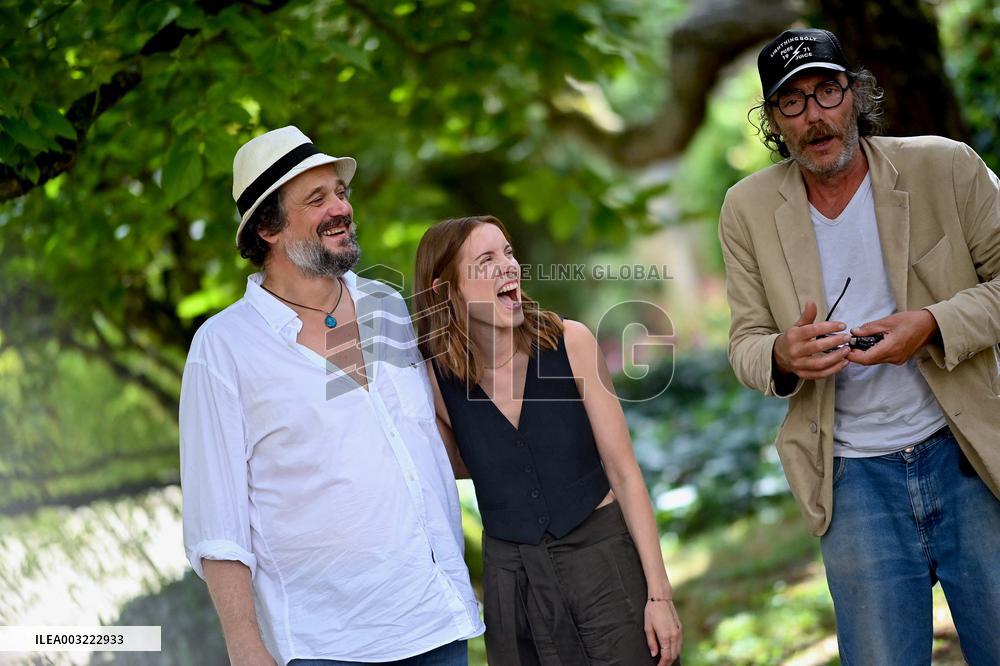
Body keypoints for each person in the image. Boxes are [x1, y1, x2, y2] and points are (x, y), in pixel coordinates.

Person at [719, 27, 1000, 665]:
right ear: (772, 119)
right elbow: (745, 343)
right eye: (792, 102)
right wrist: (782, 357)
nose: (815, 115)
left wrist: (930, 323)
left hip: (969, 455)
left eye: (827, 91)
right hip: (851, 479)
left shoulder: (944, 166)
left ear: (855, 93)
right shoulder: (747, 209)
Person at [179, 126, 483, 666]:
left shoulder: (385, 306)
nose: (340, 207)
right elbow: (217, 520)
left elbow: (430, 439)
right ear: (268, 229)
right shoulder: (224, 347)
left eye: (340, 192)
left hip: (435, 623)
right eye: (316, 199)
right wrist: (245, 648)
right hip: (324, 644)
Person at [412, 215, 683, 665]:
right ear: (445, 290)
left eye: (508, 252)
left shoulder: (570, 342)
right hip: (513, 585)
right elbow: (459, 467)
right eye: (486, 260)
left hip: (604, 565)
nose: (508, 267)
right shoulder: (433, 381)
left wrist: (659, 596)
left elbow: (624, 471)